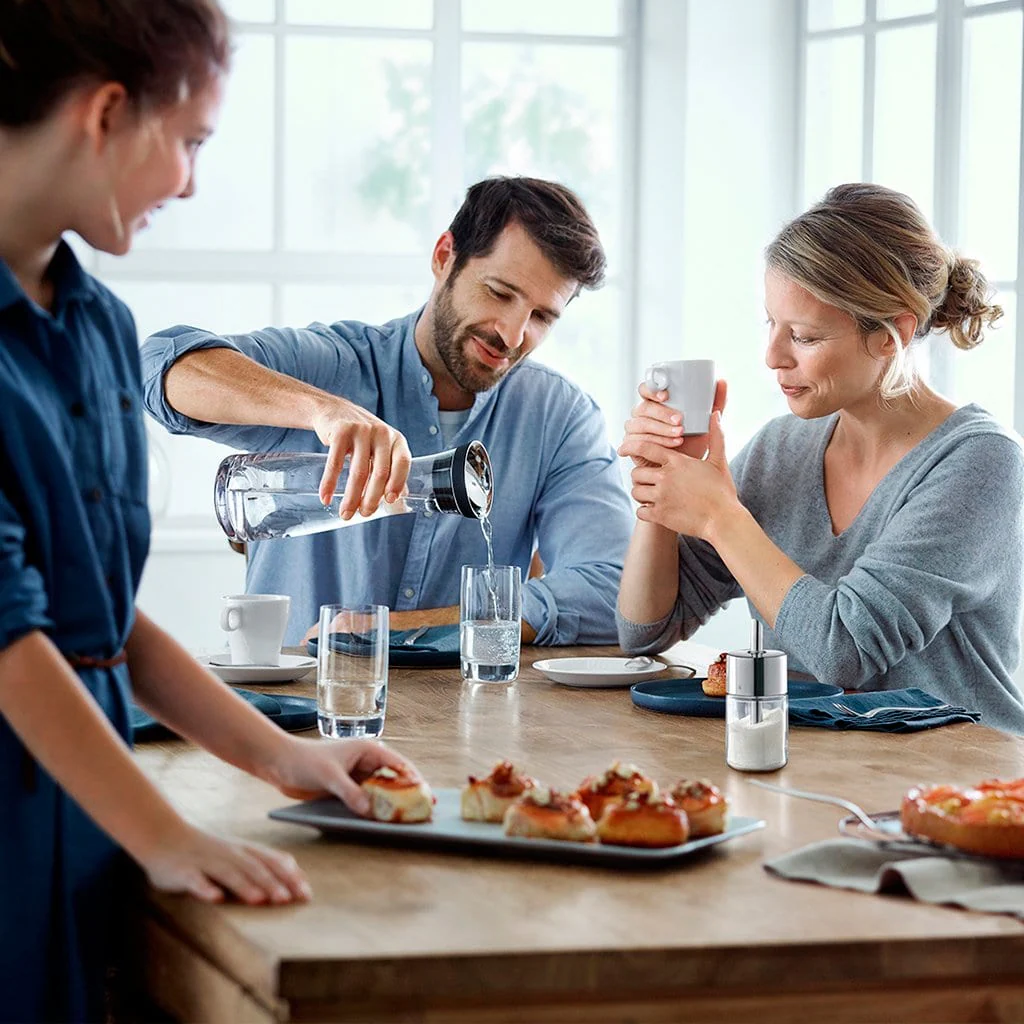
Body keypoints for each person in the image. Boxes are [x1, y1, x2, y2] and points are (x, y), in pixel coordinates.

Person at [0, 3, 421, 1020]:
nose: (189, 181)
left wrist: (283, 755)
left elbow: (97, 614)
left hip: (88, 815)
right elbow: (10, 642)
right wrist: (166, 833)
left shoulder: (98, 322)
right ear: (106, 114)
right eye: (188, 143)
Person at [141, 176, 634, 645]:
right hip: (300, 719)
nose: (511, 333)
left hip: (471, 724)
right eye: (500, 293)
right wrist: (321, 411)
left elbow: (613, 590)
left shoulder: (559, 417)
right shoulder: (333, 366)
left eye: (542, 316)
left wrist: (413, 629)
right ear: (445, 257)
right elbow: (159, 366)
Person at [616, 182, 1024, 735]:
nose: (772, 357)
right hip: (826, 778)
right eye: (771, 324)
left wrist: (719, 516)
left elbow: (846, 649)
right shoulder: (782, 449)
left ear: (892, 334)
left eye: (804, 336)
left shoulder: (980, 463)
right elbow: (645, 631)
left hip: (961, 787)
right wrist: (661, 485)